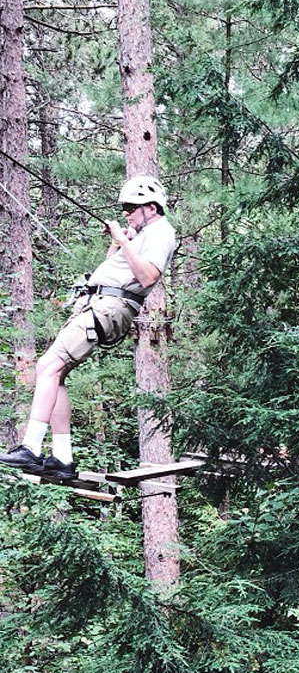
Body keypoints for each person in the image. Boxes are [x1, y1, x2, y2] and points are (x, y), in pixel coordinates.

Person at [0, 175, 178, 480]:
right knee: (54, 373)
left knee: (48, 365)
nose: (126, 213)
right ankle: (62, 458)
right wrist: (117, 243)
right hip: (100, 305)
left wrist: (124, 241)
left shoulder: (161, 233)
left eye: (131, 207)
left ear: (151, 207)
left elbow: (148, 277)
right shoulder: (142, 235)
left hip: (111, 307)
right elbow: (109, 270)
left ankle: (31, 447)